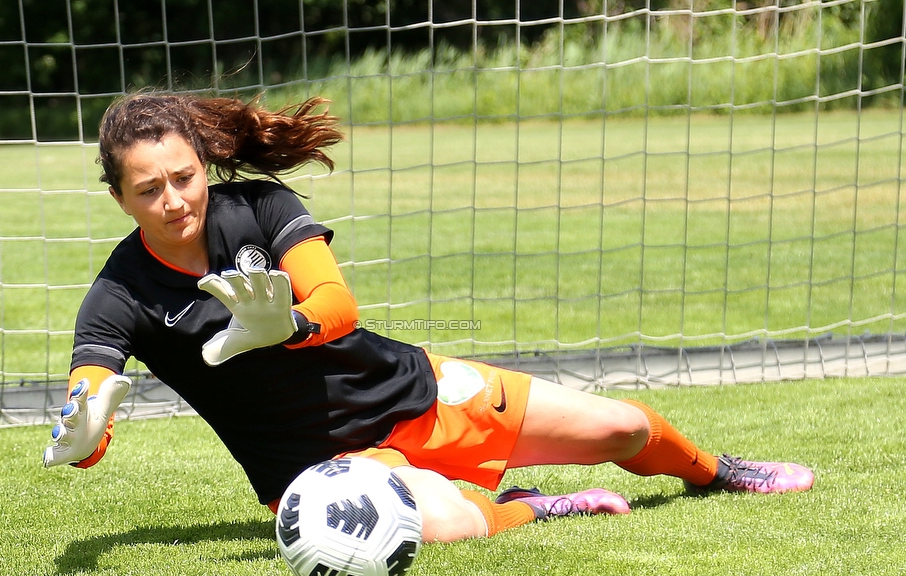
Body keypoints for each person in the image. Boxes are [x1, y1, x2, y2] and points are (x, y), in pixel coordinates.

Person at [43, 92, 814, 544]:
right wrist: (85, 435)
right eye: (150, 190)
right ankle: (530, 510)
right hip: (310, 471)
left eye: (184, 178)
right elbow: (91, 398)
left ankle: (718, 474)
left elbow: (339, 307)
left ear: (204, 166)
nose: (174, 200)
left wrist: (295, 328)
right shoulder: (117, 295)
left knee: (623, 429)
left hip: (412, 391)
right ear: (120, 198)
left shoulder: (264, 206)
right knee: (444, 516)